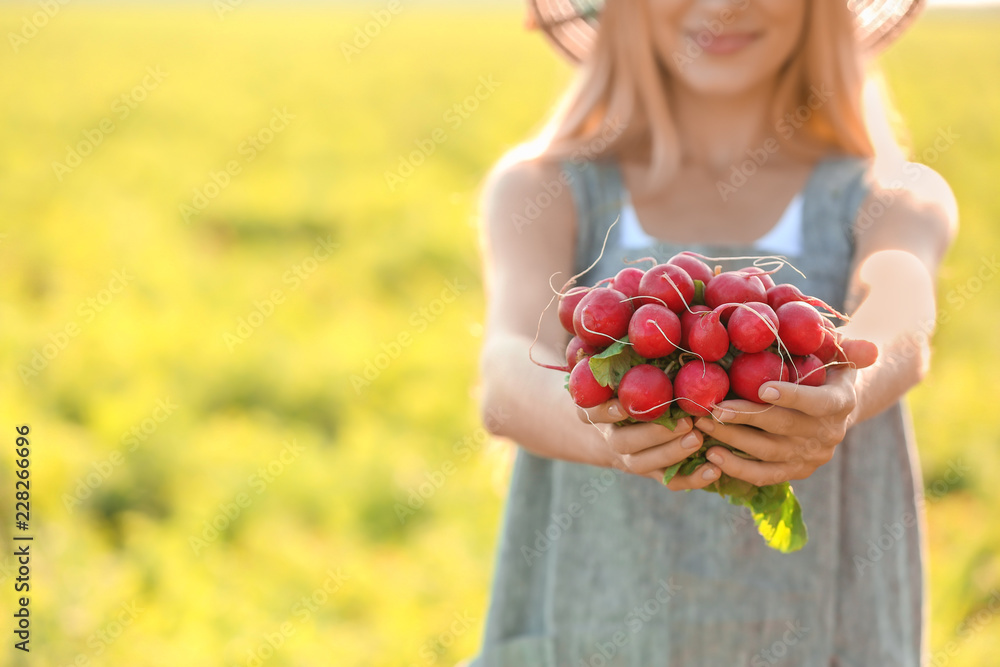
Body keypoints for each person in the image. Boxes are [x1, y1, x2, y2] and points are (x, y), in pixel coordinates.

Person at [471, 0, 957, 664]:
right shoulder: (544, 188)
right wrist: (600, 426)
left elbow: (900, 300)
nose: (725, 5)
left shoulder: (892, 194)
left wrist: (851, 387)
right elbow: (507, 370)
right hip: (591, 633)